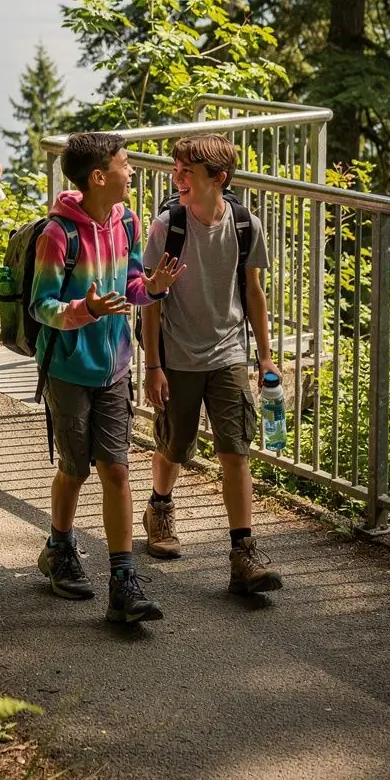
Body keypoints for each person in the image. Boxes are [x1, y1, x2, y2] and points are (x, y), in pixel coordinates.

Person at [30, 132, 185, 624]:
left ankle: (123, 579)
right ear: (99, 177)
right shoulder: (59, 235)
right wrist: (85, 309)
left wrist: (152, 288)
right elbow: (42, 306)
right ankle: (59, 547)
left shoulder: (129, 222)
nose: (132, 169)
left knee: (116, 469)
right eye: (125, 163)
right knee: (75, 469)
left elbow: (132, 286)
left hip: (115, 367)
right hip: (69, 370)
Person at [141, 133, 284, 595]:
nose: (176, 177)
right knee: (174, 446)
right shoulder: (168, 227)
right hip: (178, 355)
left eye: (187, 172)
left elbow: (254, 293)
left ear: (218, 178)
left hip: (228, 353)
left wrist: (264, 355)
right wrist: (153, 366)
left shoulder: (245, 225)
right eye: (175, 169)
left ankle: (243, 553)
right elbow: (151, 301)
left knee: (235, 450)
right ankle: (159, 507)